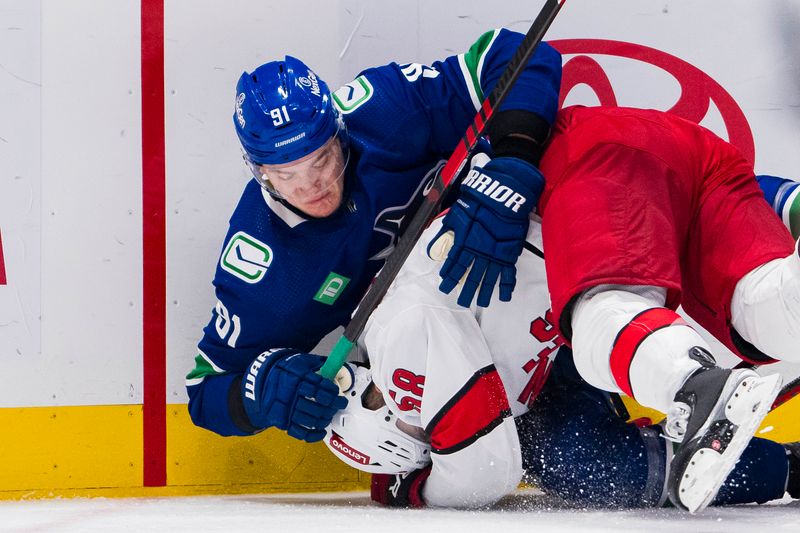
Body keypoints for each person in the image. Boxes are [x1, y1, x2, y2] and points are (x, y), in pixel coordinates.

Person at [185, 30, 562, 442]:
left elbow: (520, 54)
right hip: (450, 357)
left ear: (339, 131)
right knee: (580, 455)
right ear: (259, 171)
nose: (311, 187)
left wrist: (511, 163)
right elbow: (205, 391)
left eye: (321, 161)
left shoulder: (385, 109)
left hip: (520, 272)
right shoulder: (264, 262)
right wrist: (264, 388)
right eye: (286, 175)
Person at [322, 208, 800, 509]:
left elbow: (483, 476)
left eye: (398, 403)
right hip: (558, 322)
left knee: (572, 456)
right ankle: (786, 463)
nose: (416, 402)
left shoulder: (405, 340)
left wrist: (417, 492)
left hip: (580, 259)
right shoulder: (390, 344)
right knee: (572, 456)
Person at [534, 105, 800, 512]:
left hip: (594, 156)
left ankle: (695, 384)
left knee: (604, 309)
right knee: (768, 304)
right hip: (691, 152)